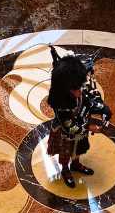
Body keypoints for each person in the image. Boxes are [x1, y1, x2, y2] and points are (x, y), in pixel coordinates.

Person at [46, 50, 108, 188]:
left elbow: (89, 98)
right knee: (65, 152)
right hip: (66, 133)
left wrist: (101, 107)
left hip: (81, 125)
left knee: (79, 147)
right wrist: (88, 127)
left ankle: (76, 164)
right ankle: (65, 170)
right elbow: (68, 126)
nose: (80, 91)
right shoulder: (60, 104)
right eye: (76, 89)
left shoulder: (77, 86)